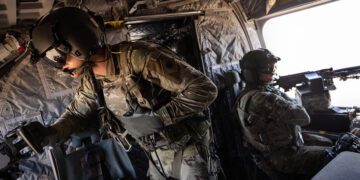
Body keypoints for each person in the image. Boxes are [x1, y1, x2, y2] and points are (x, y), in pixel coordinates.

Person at [20, 7, 218, 180]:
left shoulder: (138, 57)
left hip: (188, 148)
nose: (60, 66)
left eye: (58, 57)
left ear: (78, 43)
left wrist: (161, 117)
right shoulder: (91, 80)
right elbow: (77, 114)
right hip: (155, 154)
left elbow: (204, 89)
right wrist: (51, 133)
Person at [233, 49, 332, 179]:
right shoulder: (262, 98)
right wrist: (294, 97)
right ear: (252, 73)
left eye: (273, 67)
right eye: (268, 69)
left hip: (285, 146)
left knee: (329, 142)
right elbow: (303, 117)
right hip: (282, 158)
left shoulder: (250, 93)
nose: (272, 72)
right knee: (334, 155)